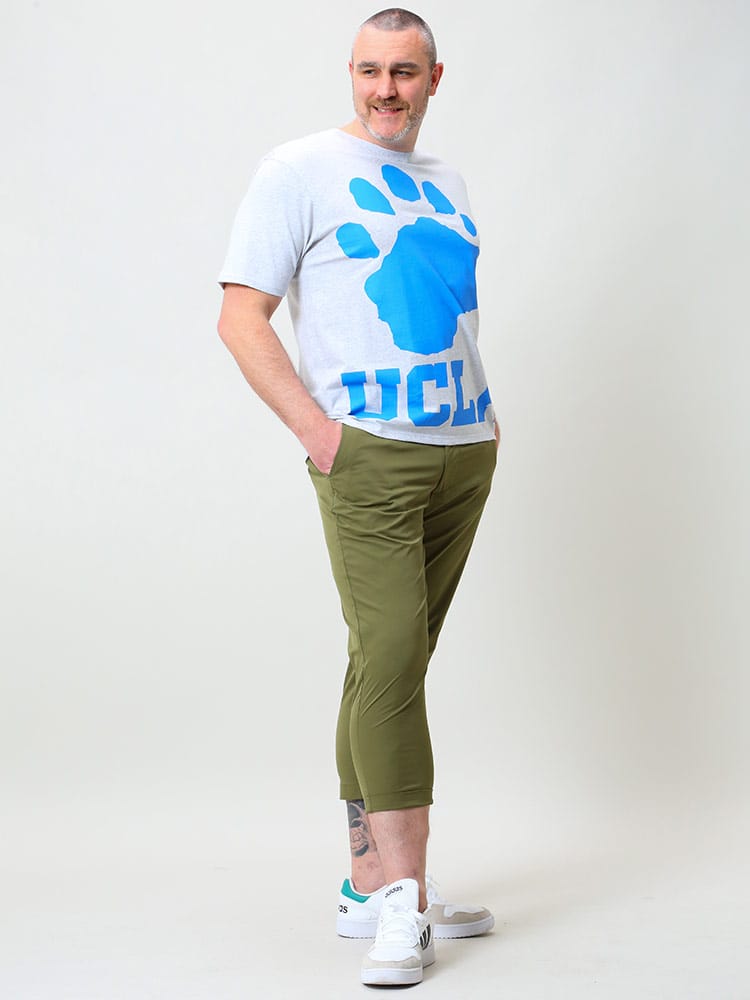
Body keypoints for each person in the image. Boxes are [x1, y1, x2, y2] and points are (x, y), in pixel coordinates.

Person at [217, 8, 499, 987]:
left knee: (386, 661)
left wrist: (487, 422)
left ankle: (366, 885)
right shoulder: (298, 169)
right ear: (351, 73)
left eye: (405, 72)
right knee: (392, 662)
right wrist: (319, 431)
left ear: (434, 79)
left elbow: (450, 313)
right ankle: (404, 901)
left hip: (462, 450)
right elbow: (240, 316)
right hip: (370, 455)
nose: (387, 89)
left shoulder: (448, 183)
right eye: (371, 71)